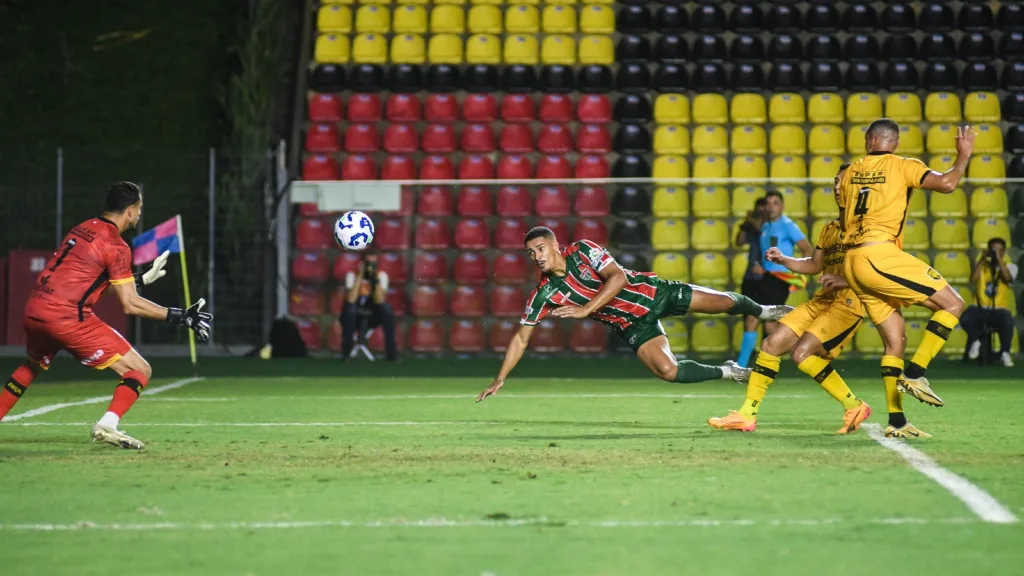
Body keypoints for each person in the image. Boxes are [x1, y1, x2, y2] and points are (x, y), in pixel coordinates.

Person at [0, 182, 212, 449]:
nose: (140, 214)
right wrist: (181, 316)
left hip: (35, 309)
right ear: (131, 211)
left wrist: (141, 279)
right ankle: (107, 424)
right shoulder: (116, 244)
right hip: (66, 318)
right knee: (139, 369)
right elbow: (131, 304)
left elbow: (89, 282)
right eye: (140, 208)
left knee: (31, 367)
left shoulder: (81, 228)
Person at [476, 228, 795, 402]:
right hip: (631, 323)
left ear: (555, 245)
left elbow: (618, 278)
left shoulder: (584, 250)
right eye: (530, 253)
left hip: (652, 293)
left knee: (723, 304)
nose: (536, 256)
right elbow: (521, 337)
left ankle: (764, 310)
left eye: (540, 248)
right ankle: (729, 371)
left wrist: (587, 309)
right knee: (667, 371)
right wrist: (500, 378)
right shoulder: (543, 294)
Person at [709, 164, 874, 435]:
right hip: (823, 300)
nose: (836, 188)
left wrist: (845, 280)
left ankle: (853, 404)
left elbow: (878, 270)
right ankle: (746, 415)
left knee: (801, 353)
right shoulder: (830, 229)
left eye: (842, 183)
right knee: (771, 344)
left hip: (849, 302)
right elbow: (813, 264)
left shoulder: (869, 229)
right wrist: (785, 259)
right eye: (834, 182)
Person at [838, 119, 973, 437]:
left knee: (895, 340)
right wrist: (963, 155)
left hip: (852, 261)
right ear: (893, 143)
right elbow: (947, 184)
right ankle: (915, 374)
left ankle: (896, 422)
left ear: (869, 141)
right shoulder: (902, 165)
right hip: (879, 254)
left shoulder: (852, 171)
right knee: (953, 304)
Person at [756, 191, 814, 337]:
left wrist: (799, 276)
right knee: (762, 320)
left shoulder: (788, 225)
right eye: (768, 203)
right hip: (767, 277)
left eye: (775, 203)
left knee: (769, 322)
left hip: (780, 277)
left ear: (782, 206)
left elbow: (807, 249)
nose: (771, 207)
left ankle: (806, 350)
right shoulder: (766, 226)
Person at [961, 238, 1018, 367]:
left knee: (1008, 321)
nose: (996, 253)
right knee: (965, 317)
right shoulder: (982, 265)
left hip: (999, 309)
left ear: (1004, 251)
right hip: (979, 307)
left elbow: (1008, 279)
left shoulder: (1011, 266)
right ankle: (976, 340)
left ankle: (1005, 353)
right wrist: (982, 259)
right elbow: (972, 279)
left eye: (999, 250)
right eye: (994, 250)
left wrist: (999, 260)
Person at [339, 251, 397, 361]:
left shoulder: (382, 276)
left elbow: (380, 300)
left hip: (373, 314)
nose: (370, 266)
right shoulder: (352, 275)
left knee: (387, 310)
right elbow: (351, 299)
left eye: (373, 263)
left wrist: (375, 279)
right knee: (349, 309)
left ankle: (391, 353)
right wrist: (360, 276)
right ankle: (346, 353)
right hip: (354, 315)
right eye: (368, 263)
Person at [735, 197, 768, 367]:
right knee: (749, 317)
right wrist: (745, 223)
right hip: (750, 278)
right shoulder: (750, 226)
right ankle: (747, 358)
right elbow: (739, 242)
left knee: (769, 321)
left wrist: (754, 222)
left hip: (768, 278)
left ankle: (764, 358)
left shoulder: (770, 227)